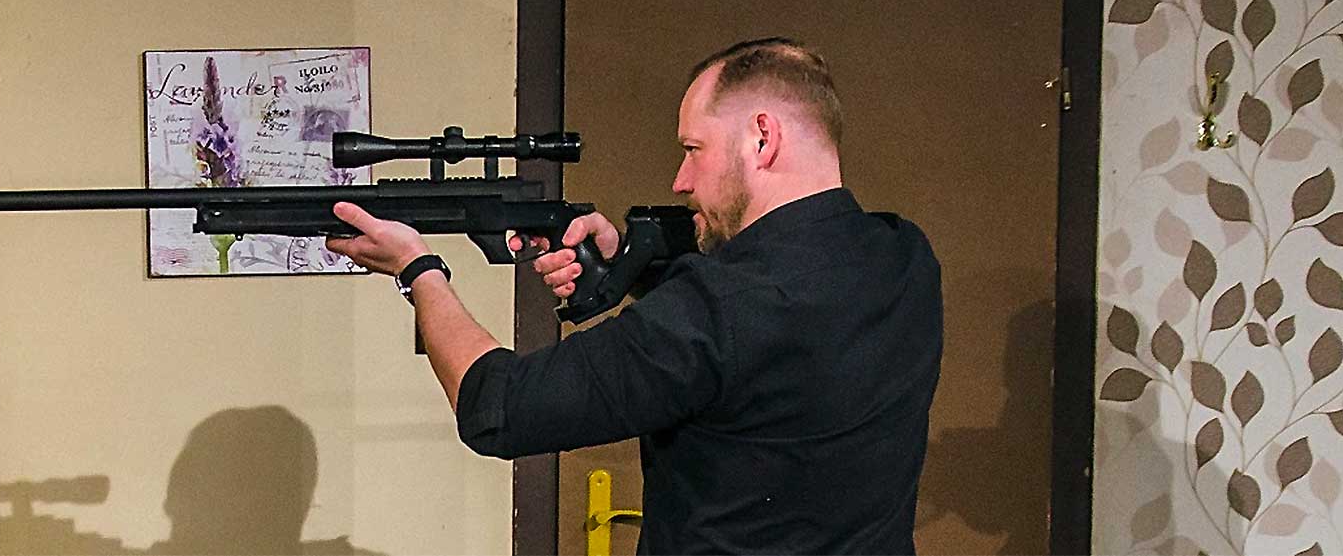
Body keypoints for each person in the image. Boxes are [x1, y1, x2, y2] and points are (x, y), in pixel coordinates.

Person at [325, 38, 943, 554]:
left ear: (763, 138)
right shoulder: (905, 256)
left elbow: (497, 408)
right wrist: (626, 258)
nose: (680, 180)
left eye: (693, 149)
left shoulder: (712, 309)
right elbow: (773, 303)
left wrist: (419, 270)